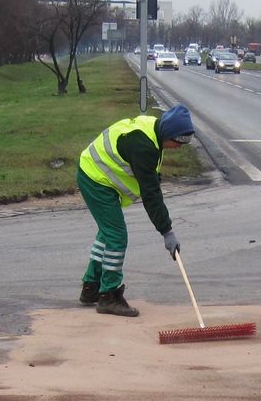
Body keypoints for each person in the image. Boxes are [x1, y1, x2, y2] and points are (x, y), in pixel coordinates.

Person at [76, 104, 196, 317]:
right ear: (169, 134)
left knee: (107, 233)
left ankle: (91, 287)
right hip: (95, 179)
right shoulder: (144, 146)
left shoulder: (153, 131)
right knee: (116, 235)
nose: (178, 148)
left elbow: (150, 178)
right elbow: (151, 195)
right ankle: (108, 296)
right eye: (177, 142)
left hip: (96, 176)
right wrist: (166, 231)